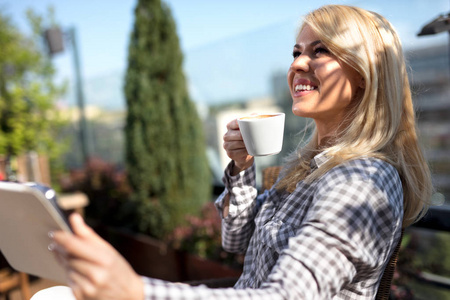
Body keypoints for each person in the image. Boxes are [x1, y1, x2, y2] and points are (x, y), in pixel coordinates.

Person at [45, 4, 432, 300]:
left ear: (364, 73)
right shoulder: (309, 166)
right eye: (296, 51)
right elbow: (237, 243)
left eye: (320, 51)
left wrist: (137, 291)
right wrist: (243, 166)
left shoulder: (361, 182)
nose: (298, 63)